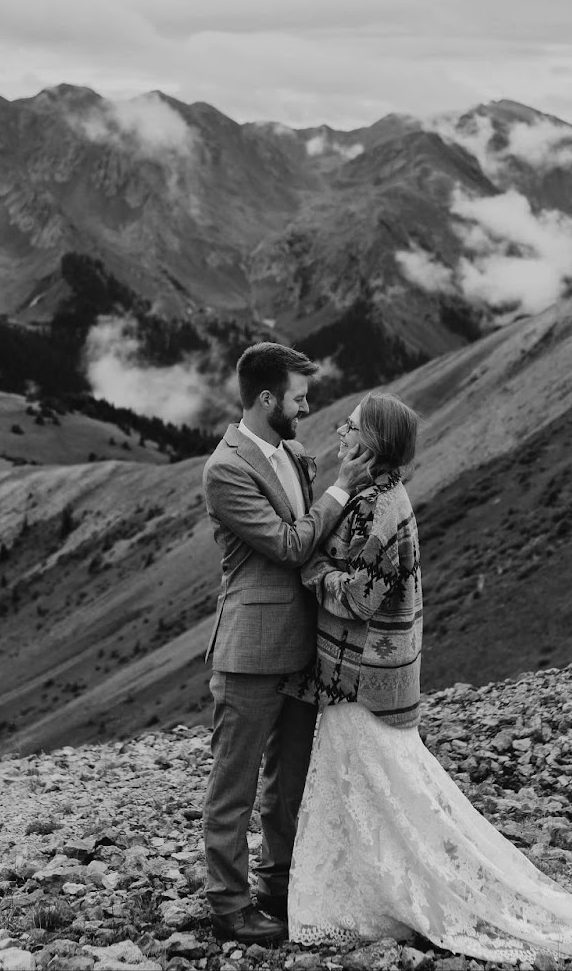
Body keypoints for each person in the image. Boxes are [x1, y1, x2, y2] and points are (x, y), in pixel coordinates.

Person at [283, 393, 572, 969]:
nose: (339, 432)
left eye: (350, 427)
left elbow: (360, 598)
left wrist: (312, 570)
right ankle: (370, 894)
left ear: (373, 443)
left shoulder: (376, 509)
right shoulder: (375, 496)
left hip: (360, 675)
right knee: (380, 791)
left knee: (379, 790)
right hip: (362, 677)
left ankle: (377, 900)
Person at [200, 343, 374, 945]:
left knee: (287, 779)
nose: (307, 407)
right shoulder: (225, 469)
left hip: (303, 646)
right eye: (299, 397)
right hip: (248, 649)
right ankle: (228, 906)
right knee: (236, 783)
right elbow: (291, 544)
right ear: (267, 399)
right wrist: (342, 489)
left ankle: (276, 885)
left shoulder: (294, 454)